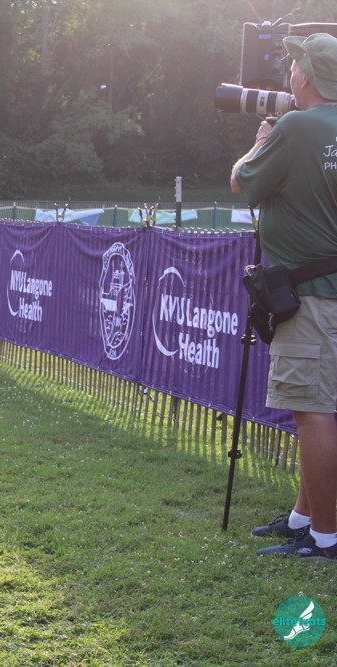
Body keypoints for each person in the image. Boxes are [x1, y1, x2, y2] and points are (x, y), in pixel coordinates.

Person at [231, 32, 337, 562]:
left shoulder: (296, 126)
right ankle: (304, 517)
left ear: (306, 76)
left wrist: (259, 138)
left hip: (313, 293)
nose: (289, 73)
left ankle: (326, 537)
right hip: (328, 289)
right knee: (321, 406)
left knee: (312, 411)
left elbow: (243, 182)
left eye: (294, 65)